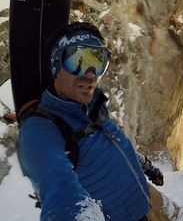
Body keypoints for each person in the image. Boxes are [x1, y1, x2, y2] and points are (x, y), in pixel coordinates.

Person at [16, 22, 163, 221]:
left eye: (98, 61)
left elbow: (112, 145)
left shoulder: (95, 106)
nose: (90, 73)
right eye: (78, 60)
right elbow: (60, 193)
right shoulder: (40, 128)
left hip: (145, 205)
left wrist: (146, 165)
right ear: (56, 67)